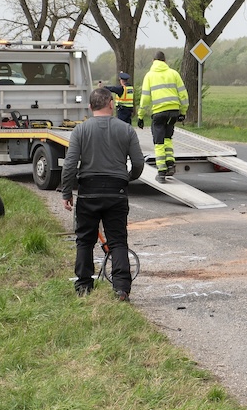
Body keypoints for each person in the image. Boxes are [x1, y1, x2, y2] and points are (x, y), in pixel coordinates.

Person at [59, 87, 144, 300]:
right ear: (111, 104)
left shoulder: (80, 130)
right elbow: (139, 162)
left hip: (88, 192)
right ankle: (121, 288)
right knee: (117, 240)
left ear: (90, 107)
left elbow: (70, 165)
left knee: (85, 240)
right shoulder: (126, 130)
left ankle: (84, 286)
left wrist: (66, 192)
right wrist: (128, 177)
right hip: (117, 190)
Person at [137, 52, 189, 183]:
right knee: (168, 137)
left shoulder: (149, 76)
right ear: (165, 60)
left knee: (158, 142)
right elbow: (183, 95)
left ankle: (161, 172)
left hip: (159, 113)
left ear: (153, 60)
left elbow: (145, 99)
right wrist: (182, 112)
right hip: (173, 112)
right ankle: (170, 162)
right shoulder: (174, 73)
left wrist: (140, 116)